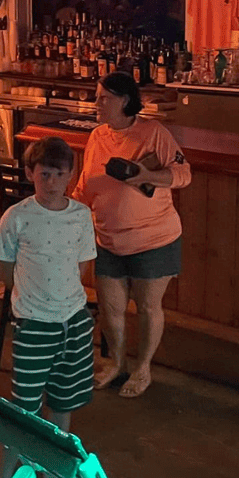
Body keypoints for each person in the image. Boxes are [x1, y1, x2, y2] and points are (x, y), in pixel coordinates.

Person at [0, 136, 97, 478]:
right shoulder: (17, 216)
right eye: (44, 173)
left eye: (59, 174)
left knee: (64, 403)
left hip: (74, 319)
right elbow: (5, 264)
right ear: (30, 173)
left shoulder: (81, 216)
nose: (52, 181)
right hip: (34, 322)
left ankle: (55, 476)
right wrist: (27, 299)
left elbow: (83, 264)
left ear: (71, 175)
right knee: (24, 407)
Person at [74, 71, 191, 398]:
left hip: (154, 240)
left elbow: (184, 174)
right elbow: (87, 184)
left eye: (103, 98)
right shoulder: (97, 136)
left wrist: (147, 174)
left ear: (124, 101)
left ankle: (143, 369)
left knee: (148, 307)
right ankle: (117, 363)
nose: (96, 103)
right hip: (108, 240)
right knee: (110, 309)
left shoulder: (154, 133)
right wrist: (67, 212)